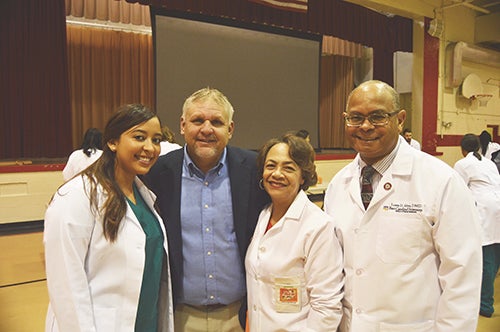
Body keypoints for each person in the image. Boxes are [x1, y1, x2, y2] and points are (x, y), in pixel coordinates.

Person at [323, 80, 482, 331]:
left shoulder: (441, 181)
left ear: (400, 119)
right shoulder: (338, 186)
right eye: (355, 117)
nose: (365, 126)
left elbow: (462, 274)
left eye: (377, 117)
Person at [145, 87, 270, 332]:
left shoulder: (254, 170)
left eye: (216, 122)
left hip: (242, 314)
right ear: (182, 125)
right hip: (181, 316)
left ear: (230, 129)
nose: (206, 129)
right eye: (197, 120)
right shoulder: (157, 173)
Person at [44, 104, 174, 331]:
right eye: (139, 137)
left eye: (156, 140)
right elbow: (66, 286)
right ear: (112, 142)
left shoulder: (143, 194)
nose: (150, 148)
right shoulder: (77, 196)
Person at [245, 133, 344, 331]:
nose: (277, 174)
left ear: (303, 176)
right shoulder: (262, 215)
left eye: (288, 168)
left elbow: (327, 307)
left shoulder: (318, 226)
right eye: (271, 165)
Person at [454, 133, 500, 318]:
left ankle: (485, 306)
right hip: (496, 207)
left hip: (485, 210)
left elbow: (457, 192)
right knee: (495, 256)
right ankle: (486, 300)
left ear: (462, 148)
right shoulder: (488, 162)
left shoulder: (462, 164)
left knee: (486, 260)